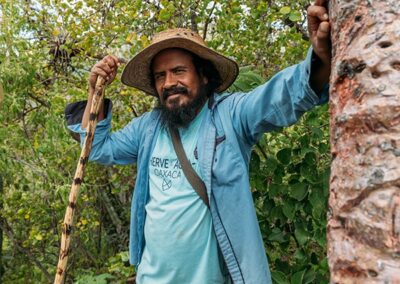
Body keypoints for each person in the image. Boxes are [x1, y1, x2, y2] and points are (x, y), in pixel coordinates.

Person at [65, 2, 331, 283]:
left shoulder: (230, 116)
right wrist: (95, 91)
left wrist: (320, 57)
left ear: (203, 75)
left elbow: (279, 97)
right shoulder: (148, 127)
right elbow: (96, 148)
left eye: (179, 71)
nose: (169, 83)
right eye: (160, 76)